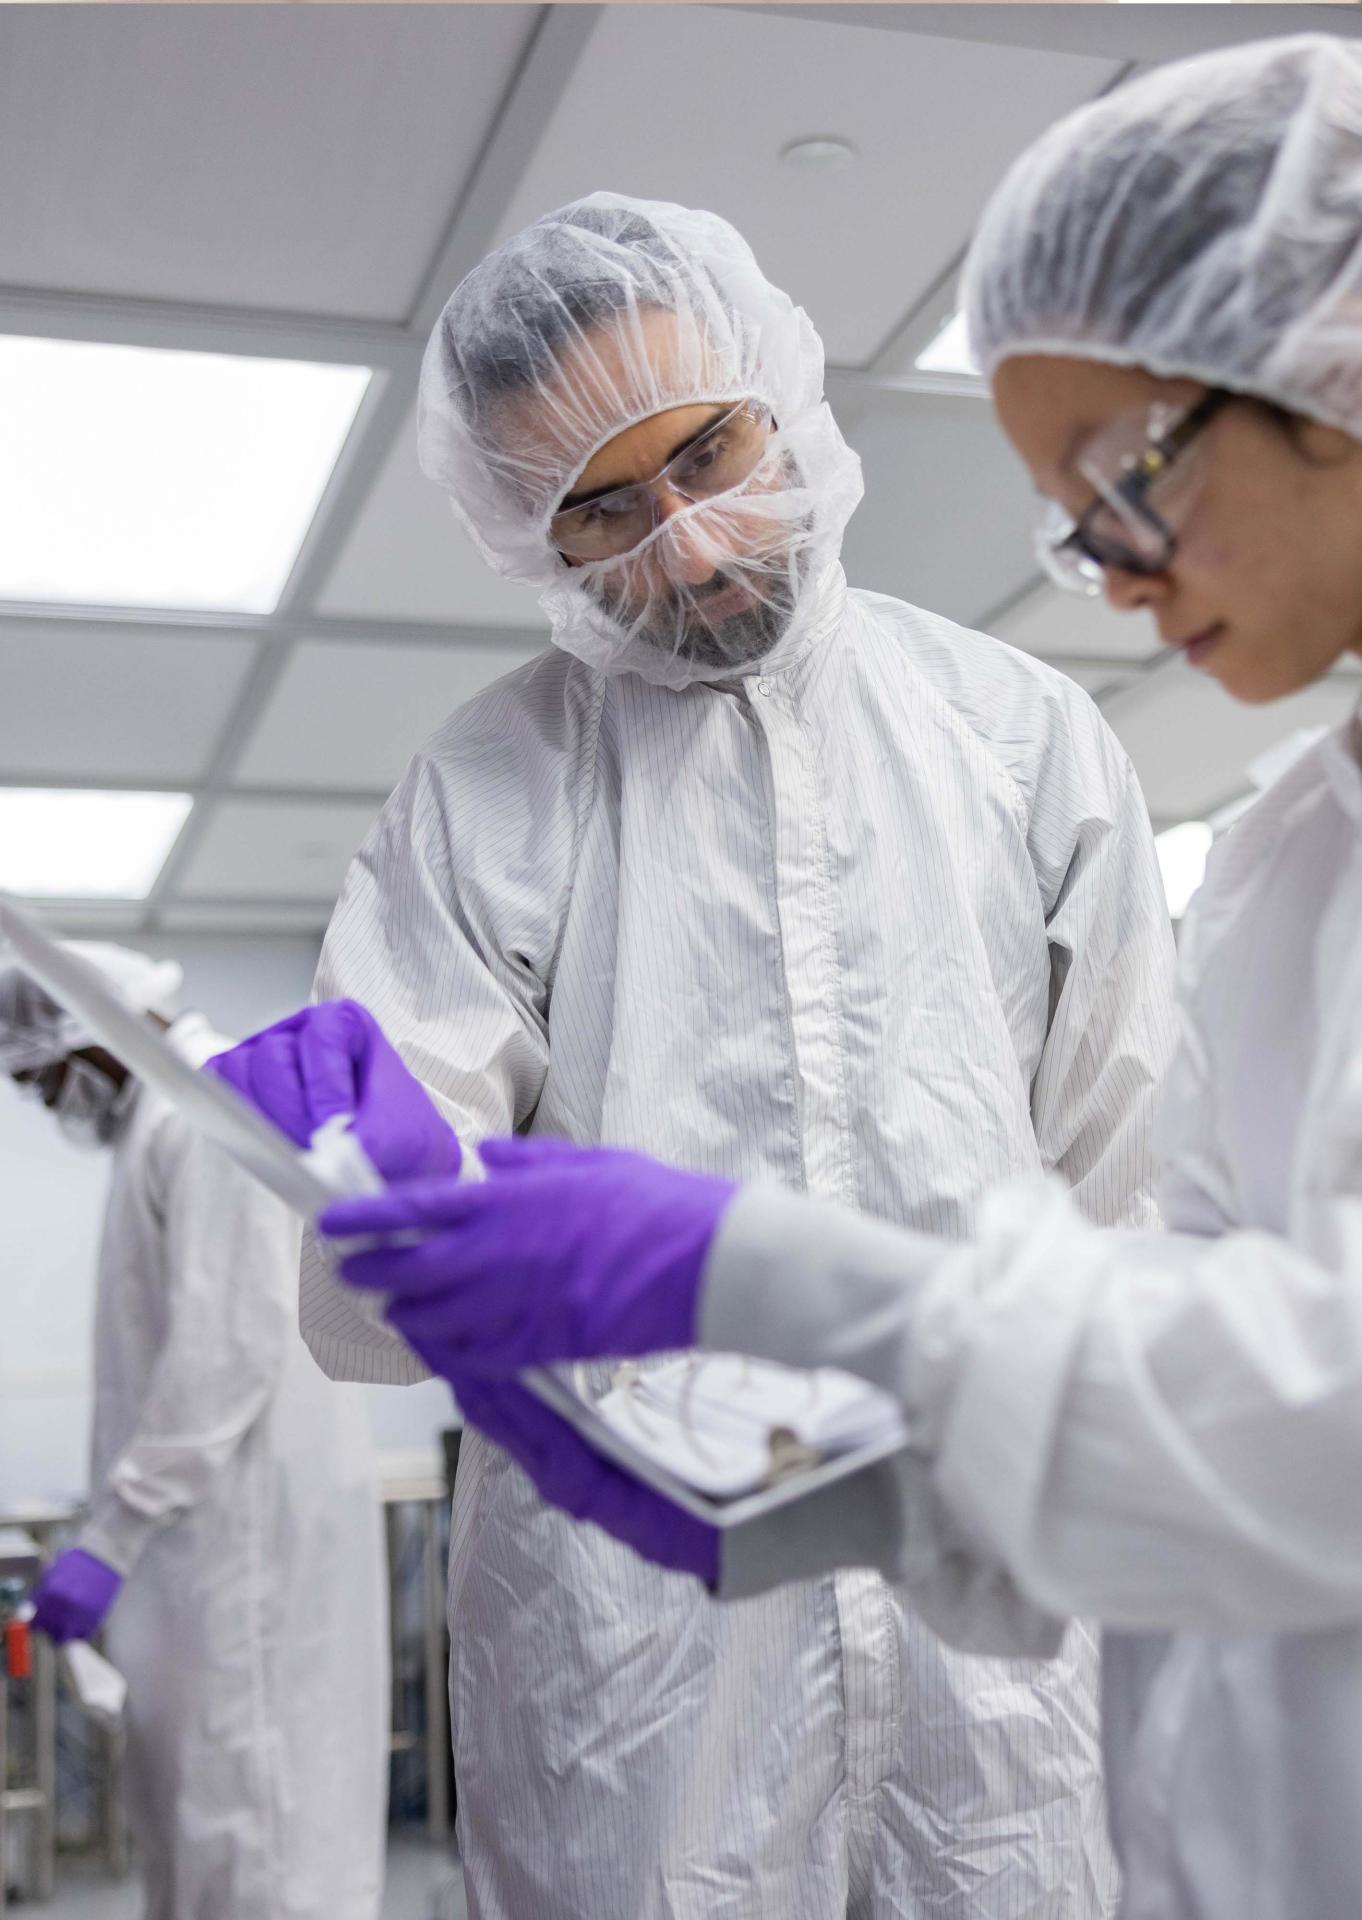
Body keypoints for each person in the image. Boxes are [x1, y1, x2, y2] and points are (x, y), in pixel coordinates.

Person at [296, 36, 1362, 1918]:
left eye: (1125, 473)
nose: (1114, 569)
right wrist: (855, 1492)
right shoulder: (1314, 835)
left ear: (1359, 364)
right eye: (1077, 512)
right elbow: (1200, 1315)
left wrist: (752, 1272)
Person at [207, 195, 1172, 1918]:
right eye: (607, 507)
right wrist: (371, 1189)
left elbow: (1121, 1179)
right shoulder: (486, 793)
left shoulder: (1019, 740)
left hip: (986, 1606)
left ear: (784, 401)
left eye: (711, 455)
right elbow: (380, 1268)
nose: (691, 548)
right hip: (641, 1643)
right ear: (530, 532)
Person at [1, 946, 387, 1920]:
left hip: (243, 1555)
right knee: (207, 1822)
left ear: (87, 1034)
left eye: (42, 1079)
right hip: (209, 1557)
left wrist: (112, 1539)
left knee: (253, 1833)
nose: (53, 1105)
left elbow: (222, 1359)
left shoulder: (207, 1113)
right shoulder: (162, 1126)